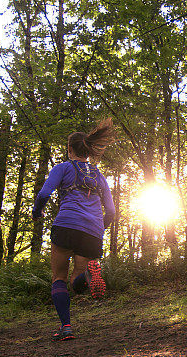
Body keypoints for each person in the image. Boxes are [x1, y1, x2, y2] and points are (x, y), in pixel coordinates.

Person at [31, 119, 116, 341]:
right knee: (77, 282)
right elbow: (112, 211)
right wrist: (99, 228)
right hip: (92, 231)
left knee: (58, 278)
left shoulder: (63, 168)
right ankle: (88, 275)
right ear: (87, 149)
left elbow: (43, 194)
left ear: (70, 149)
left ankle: (66, 327)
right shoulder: (99, 176)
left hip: (66, 225)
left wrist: (36, 211)